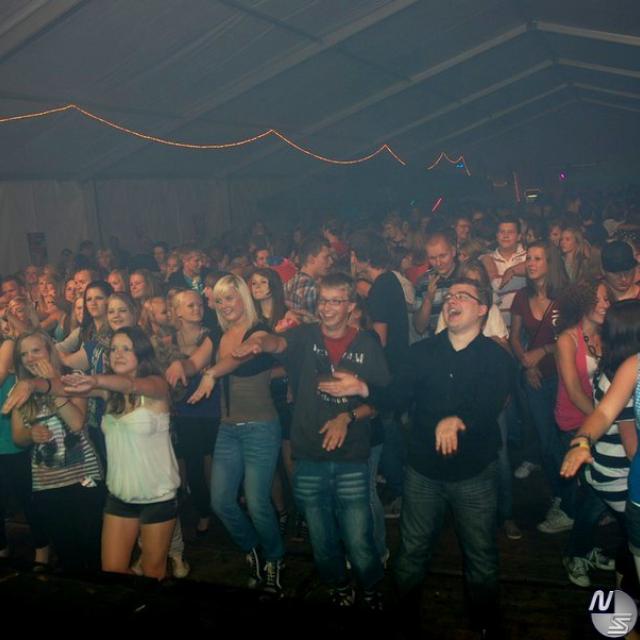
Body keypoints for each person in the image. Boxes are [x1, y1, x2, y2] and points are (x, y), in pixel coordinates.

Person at [233, 272, 390, 608]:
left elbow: (381, 399)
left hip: (351, 457)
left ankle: (371, 587)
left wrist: (346, 417)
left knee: (359, 540)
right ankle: (338, 586)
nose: (327, 308)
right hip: (308, 455)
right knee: (321, 541)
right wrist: (260, 340)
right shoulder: (305, 336)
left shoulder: (366, 343)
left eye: (335, 301)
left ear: (350, 306)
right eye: (323, 301)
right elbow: (278, 343)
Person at [392, 277, 514, 636]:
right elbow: (396, 397)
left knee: (480, 554)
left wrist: (459, 420)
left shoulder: (496, 358)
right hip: (423, 471)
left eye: (463, 296)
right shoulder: (421, 353)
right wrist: (364, 388)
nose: (452, 300)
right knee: (412, 550)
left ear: (482, 309)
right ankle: (403, 619)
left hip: (473, 472)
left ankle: (485, 624)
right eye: (449, 295)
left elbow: (491, 403)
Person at [188, 274, 284, 593]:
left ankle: (274, 558)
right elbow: (194, 362)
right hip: (228, 429)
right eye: (219, 300)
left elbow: (243, 354)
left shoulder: (258, 330)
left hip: (261, 427)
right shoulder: (217, 334)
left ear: (244, 297)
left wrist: (212, 373)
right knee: (220, 501)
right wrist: (178, 367)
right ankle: (252, 549)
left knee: (257, 503)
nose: (224, 305)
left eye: (230, 297)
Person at [62, 327, 179, 579]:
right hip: (119, 496)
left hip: (157, 496)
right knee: (112, 571)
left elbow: (132, 384)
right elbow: (59, 388)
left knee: (153, 572)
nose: (118, 354)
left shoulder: (156, 385)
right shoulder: (109, 391)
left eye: (126, 348)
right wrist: (32, 384)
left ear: (141, 353)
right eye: (114, 349)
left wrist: (96, 379)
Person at [8, 330, 104, 573]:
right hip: (47, 483)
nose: (30, 358)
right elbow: (17, 436)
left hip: (84, 477)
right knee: (67, 554)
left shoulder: (74, 378)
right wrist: (31, 434)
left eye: (36, 351)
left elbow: (76, 423)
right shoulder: (21, 390)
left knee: (93, 550)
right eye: (24, 354)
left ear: (50, 351)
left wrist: (52, 385)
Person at [510, 242, 570, 533]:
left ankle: (575, 496)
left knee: (567, 437)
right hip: (535, 378)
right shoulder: (522, 297)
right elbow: (514, 337)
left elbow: (576, 337)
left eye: (537, 258)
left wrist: (544, 350)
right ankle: (562, 497)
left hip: (564, 376)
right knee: (546, 440)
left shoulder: (565, 297)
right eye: (528, 258)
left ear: (550, 263)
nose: (531, 263)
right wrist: (527, 364)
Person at [351, 231, 409, 517]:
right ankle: (398, 483)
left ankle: (400, 492)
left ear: (359, 256)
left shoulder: (382, 287)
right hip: (395, 367)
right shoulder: (388, 281)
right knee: (391, 426)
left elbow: (380, 339)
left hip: (387, 372)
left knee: (387, 428)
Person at [284, 235, 332, 318]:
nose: (331, 261)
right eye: (326, 257)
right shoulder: (313, 289)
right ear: (311, 259)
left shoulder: (289, 283)